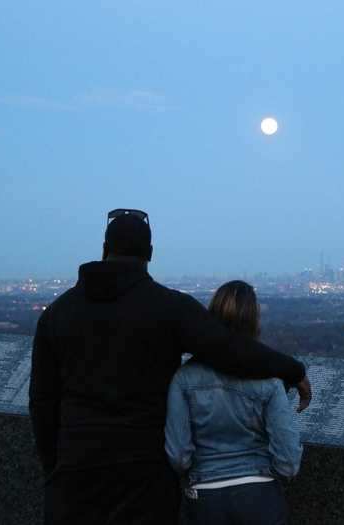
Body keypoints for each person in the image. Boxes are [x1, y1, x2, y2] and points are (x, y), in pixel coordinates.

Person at [29, 208, 312, 525]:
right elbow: (229, 350)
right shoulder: (169, 308)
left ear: (104, 249)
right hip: (144, 474)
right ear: (149, 254)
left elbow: (42, 403)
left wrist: (55, 466)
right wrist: (293, 370)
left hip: (75, 469)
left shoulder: (57, 314)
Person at [165, 281, 302, 525]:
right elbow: (288, 459)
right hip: (260, 494)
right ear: (254, 319)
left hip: (204, 496)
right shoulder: (269, 380)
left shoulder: (184, 378)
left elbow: (178, 455)